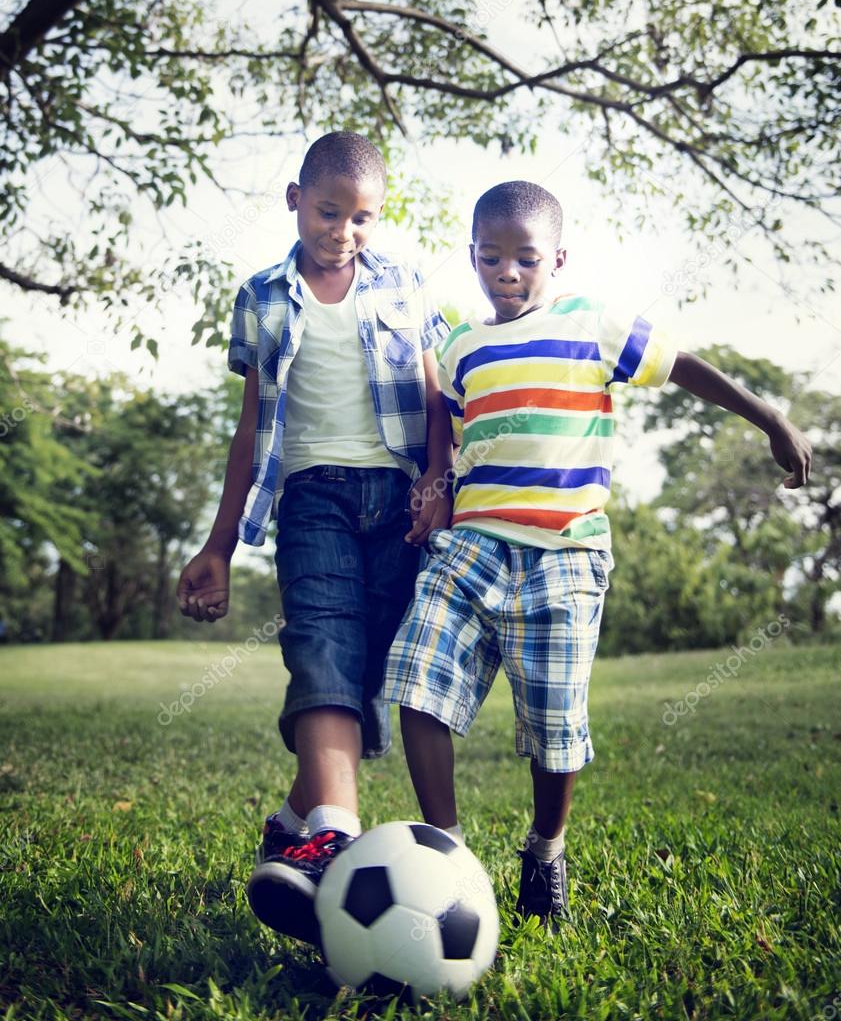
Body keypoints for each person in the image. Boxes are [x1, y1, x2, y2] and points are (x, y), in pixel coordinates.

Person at [383, 180, 812, 930]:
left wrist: (765, 415)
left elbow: (679, 364)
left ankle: (545, 850)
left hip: (565, 555)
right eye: (490, 258)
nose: (507, 273)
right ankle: (446, 850)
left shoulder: (592, 324)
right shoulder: (459, 346)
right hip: (471, 547)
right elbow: (448, 437)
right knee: (416, 683)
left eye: (524, 259)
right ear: (473, 258)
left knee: (554, 727)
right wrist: (433, 486)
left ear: (557, 258)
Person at [176, 132, 452, 944]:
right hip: (310, 502)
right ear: (295, 200)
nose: (344, 230)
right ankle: (333, 841)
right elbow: (251, 423)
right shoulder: (261, 297)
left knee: (366, 677)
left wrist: (438, 485)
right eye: (329, 211)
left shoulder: (403, 285)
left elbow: (437, 402)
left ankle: (294, 824)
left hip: (399, 502)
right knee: (324, 650)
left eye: (362, 217)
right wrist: (218, 545)